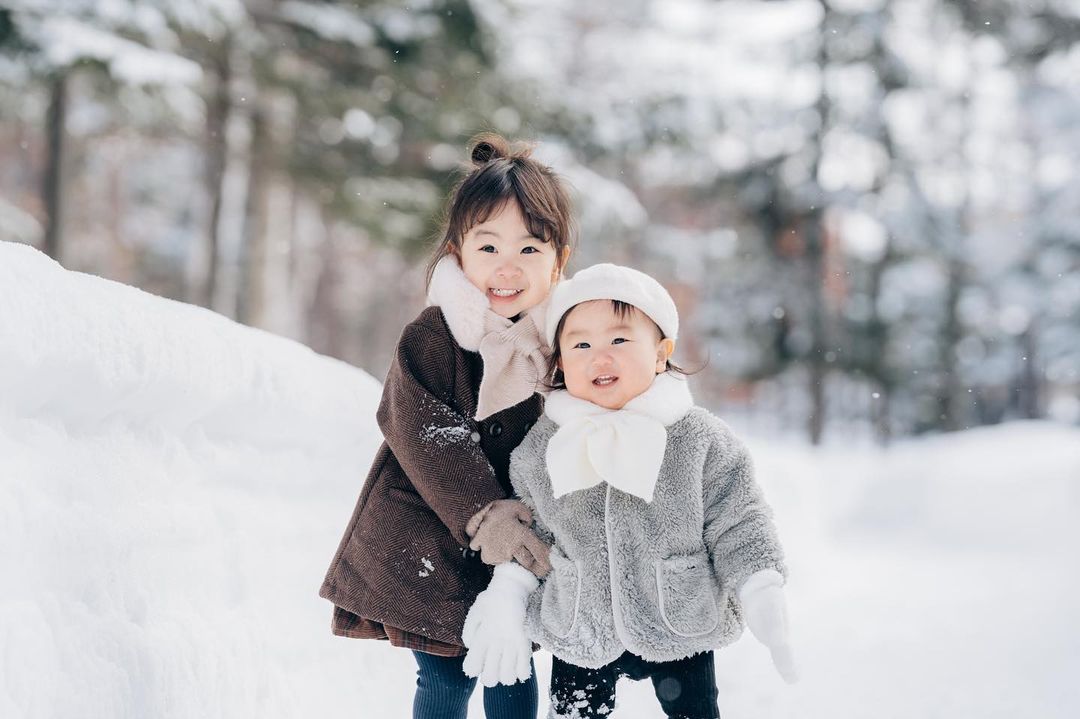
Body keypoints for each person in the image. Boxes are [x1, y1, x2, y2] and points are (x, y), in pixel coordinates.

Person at [462, 264, 797, 719]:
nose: (600, 356)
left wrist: (760, 586)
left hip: (680, 618)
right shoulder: (543, 448)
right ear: (560, 362)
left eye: (619, 340)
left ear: (661, 353)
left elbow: (737, 518)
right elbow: (533, 534)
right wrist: (508, 593)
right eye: (581, 344)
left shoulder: (698, 439)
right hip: (580, 623)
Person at [319, 133, 577, 719]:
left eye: (530, 251)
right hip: (432, 534)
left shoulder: (565, 343)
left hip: (528, 545)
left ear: (558, 260)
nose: (506, 268)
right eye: (489, 248)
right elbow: (420, 429)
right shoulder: (437, 335)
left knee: (512, 667)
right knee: (447, 669)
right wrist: (487, 514)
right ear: (460, 252)